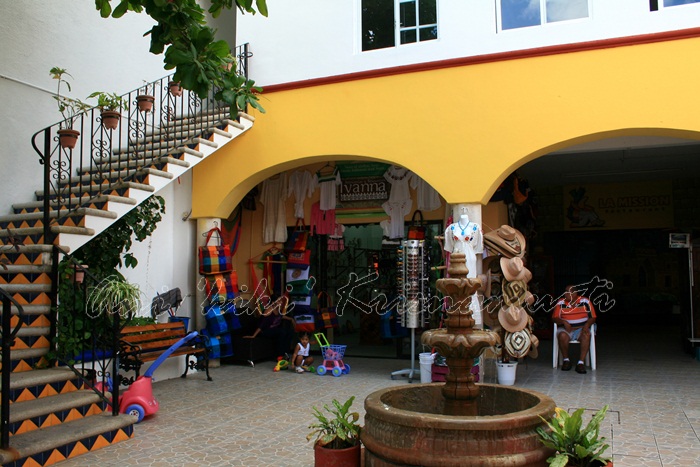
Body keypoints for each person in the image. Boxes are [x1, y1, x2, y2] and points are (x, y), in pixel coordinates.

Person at [552, 285, 596, 374]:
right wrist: (563, 321)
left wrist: (587, 325)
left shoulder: (585, 301)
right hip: (566, 330)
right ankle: (566, 360)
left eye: (567, 292)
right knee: (562, 336)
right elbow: (554, 318)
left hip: (581, 329)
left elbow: (593, 317)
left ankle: (580, 363)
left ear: (575, 293)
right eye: (565, 291)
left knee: (586, 335)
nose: (565, 294)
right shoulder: (561, 302)